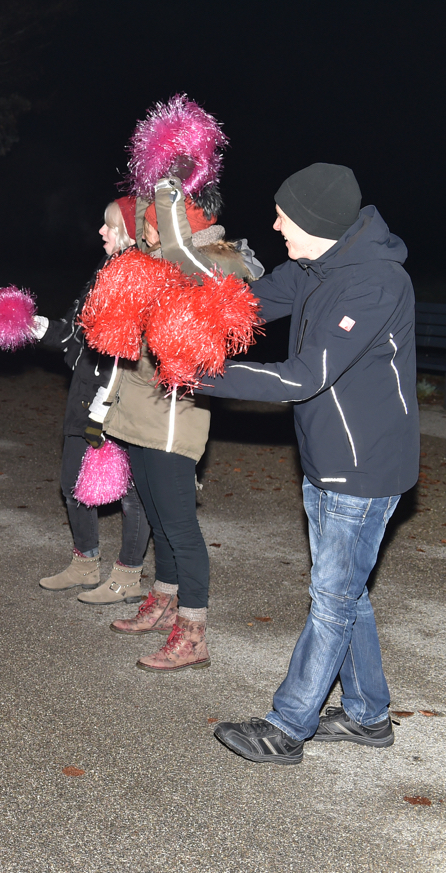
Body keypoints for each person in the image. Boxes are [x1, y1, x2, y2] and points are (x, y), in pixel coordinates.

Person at [206, 164, 417, 764]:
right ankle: (368, 717)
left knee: (332, 597)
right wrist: (183, 315)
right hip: (326, 458)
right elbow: (249, 303)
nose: (275, 225)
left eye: (285, 216)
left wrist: (202, 373)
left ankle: (288, 724)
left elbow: (306, 377)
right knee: (347, 592)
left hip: (365, 467)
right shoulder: (313, 268)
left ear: (319, 224)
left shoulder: (375, 284)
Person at [100, 176, 261, 670]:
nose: (145, 227)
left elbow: (193, 278)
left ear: (178, 220)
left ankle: (193, 633)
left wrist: (166, 200)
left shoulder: (214, 263)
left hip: (176, 418)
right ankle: (164, 599)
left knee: (180, 527)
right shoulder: (161, 262)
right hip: (142, 413)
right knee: (156, 514)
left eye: (154, 219)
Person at [35, 199, 153, 604]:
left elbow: (136, 348)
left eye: (109, 225)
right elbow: (72, 332)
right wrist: (32, 325)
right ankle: (85, 563)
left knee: (130, 492)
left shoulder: (142, 275)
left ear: (130, 229)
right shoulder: (103, 271)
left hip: (119, 396)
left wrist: (109, 399)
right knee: (72, 484)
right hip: (84, 392)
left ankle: (129, 574)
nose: (100, 232)